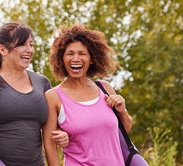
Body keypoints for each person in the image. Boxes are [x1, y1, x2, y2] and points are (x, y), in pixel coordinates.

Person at [0, 22, 68, 166]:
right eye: (23, 45)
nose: (29, 50)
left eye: (31, 44)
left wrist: (62, 134)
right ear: (3, 50)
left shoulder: (42, 82)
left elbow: (51, 130)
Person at [42, 24, 133, 165]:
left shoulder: (105, 88)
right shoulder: (53, 96)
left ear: (92, 59)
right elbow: (49, 144)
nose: (75, 58)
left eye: (82, 53)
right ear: (62, 59)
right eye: (70, 54)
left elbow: (123, 131)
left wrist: (122, 111)